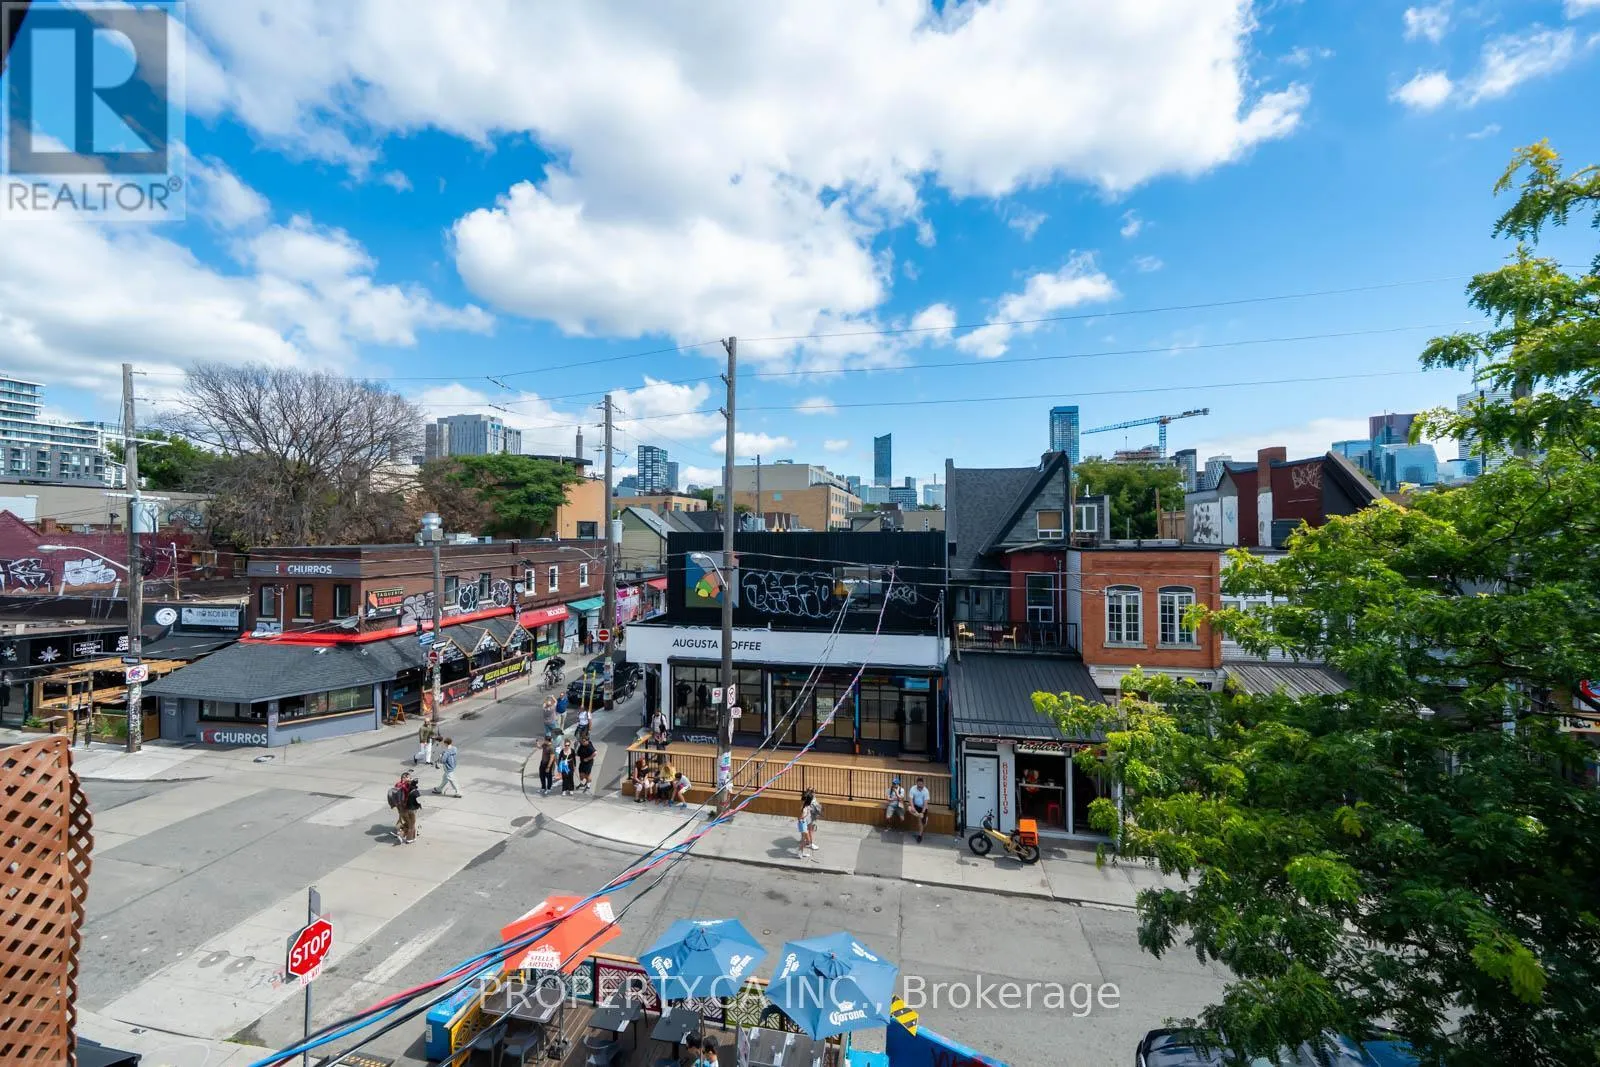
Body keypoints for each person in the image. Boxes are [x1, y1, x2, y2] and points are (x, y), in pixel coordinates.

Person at [392, 770, 421, 844]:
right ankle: (405, 836)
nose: (410, 779)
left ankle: (401, 832)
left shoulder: (398, 785)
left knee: (406, 821)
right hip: (408, 808)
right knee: (411, 823)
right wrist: (411, 782)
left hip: (400, 807)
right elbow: (414, 793)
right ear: (404, 778)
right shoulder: (407, 786)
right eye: (409, 777)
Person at [908, 776, 930, 843]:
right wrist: (913, 807)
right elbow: (910, 799)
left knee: (923, 824)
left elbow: (925, 803)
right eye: (919, 785)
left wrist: (923, 812)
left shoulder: (926, 791)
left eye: (921, 785)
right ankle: (920, 835)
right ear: (916, 783)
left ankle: (920, 835)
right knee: (909, 808)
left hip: (923, 807)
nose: (920, 786)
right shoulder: (913, 788)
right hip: (915, 806)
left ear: (923, 784)